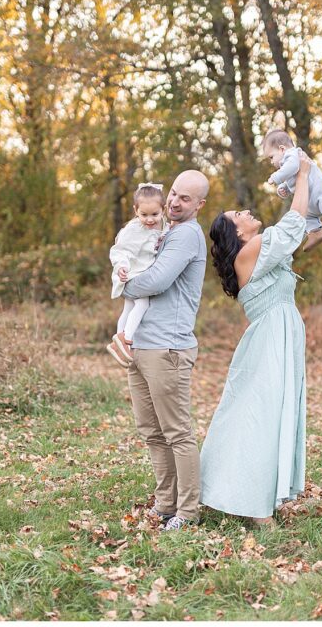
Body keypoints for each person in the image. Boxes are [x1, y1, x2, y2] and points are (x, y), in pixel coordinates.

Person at [200, 149, 313, 526]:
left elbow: (301, 240)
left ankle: (250, 492)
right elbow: (293, 225)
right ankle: (251, 504)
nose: (247, 213)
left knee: (269, 413)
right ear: (237, 233)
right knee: (260, 416)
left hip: (281, 334)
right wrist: (301, 177)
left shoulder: (258, 251)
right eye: (240, 216)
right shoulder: (249, 252)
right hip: (269, 340)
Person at [119, 170, 209, 532]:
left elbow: (156, 280)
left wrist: (123, 286)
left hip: (167, 348)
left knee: (177, 432)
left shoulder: (187, 234)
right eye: (173, 193)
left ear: (199, 205)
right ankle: (165, 502)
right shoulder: (163, 229)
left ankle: (187, 511)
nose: (174, 201)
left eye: (185, 198)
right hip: (142, 345)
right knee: (152, 432)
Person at [261, 128, 322, 256]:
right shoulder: (289, 163)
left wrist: (276, 177)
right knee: (304, 216)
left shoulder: (293, 155)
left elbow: (293, 167)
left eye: (271, 157)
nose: (272, 162)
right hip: (311, 201)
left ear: (282, 149)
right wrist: (284, 188)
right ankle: (315, 233)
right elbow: (294, 178)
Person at [106, 183, 167, 368]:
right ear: (135, 210)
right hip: (133, 271)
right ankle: (126, 338)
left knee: (128, 307)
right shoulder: (132, 229)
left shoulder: (164, 225)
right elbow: (119, 250)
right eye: (144, 215)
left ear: (163, 210)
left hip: (144, 270)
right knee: (142, 303)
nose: (149, 219)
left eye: (154, 214)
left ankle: (118, 344)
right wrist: (121, 267)